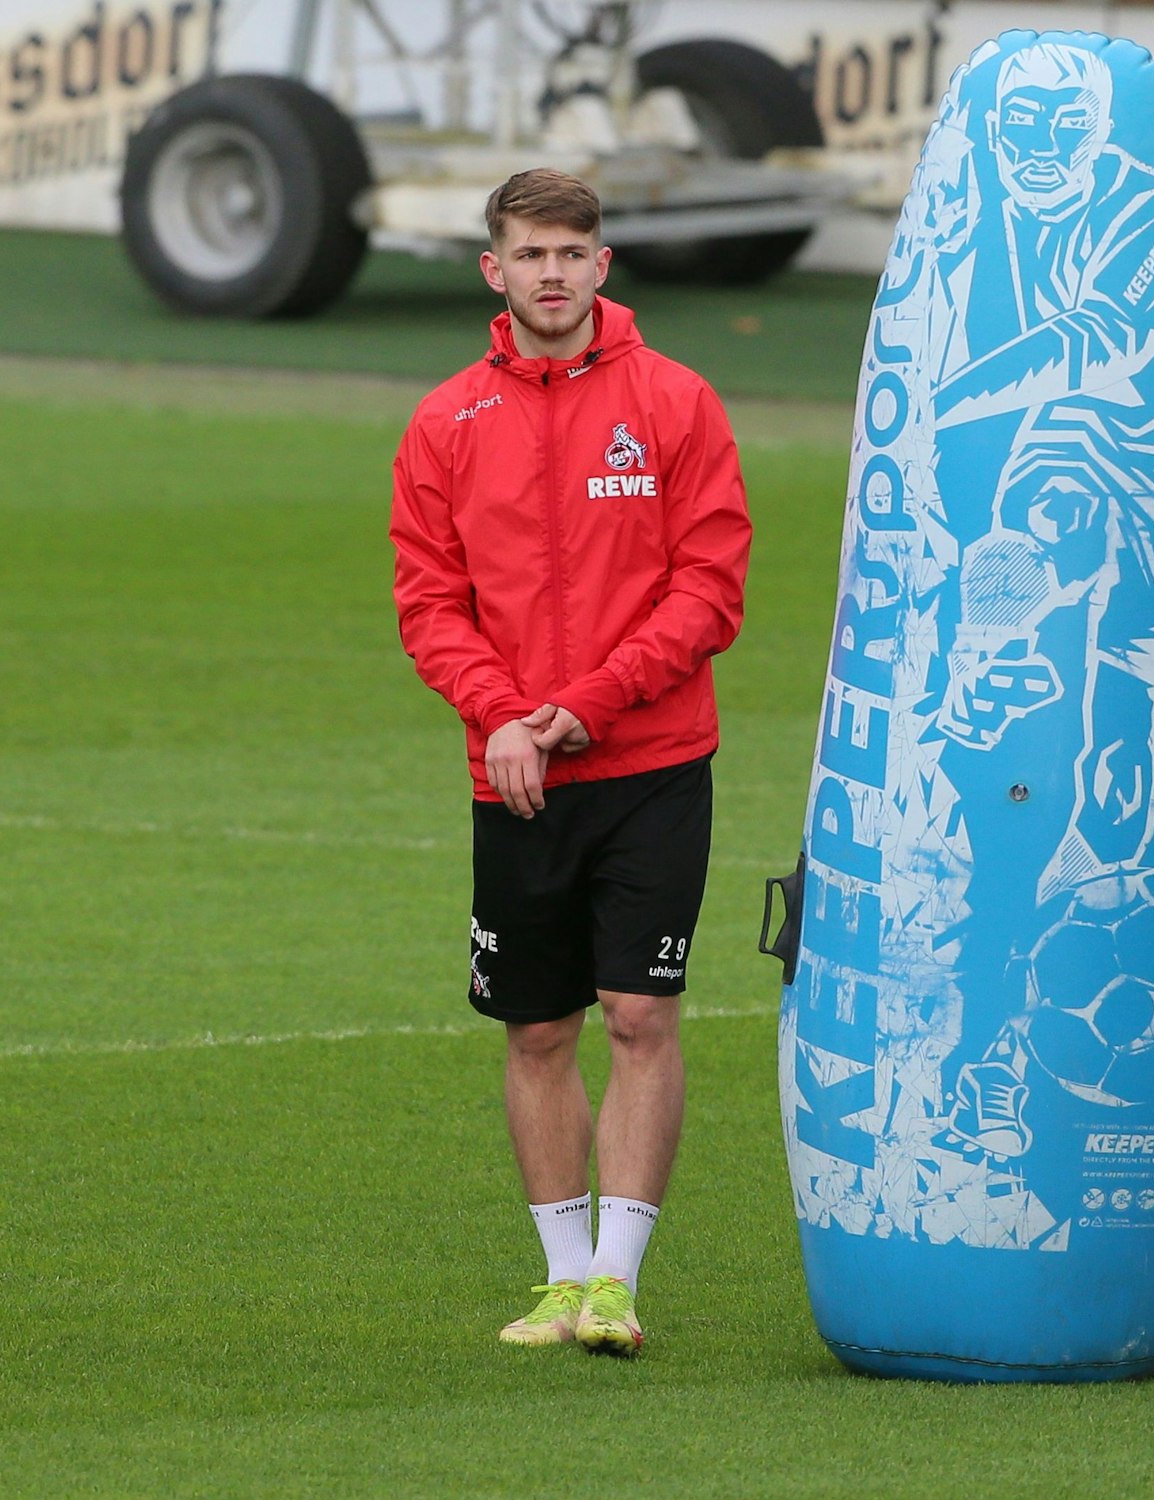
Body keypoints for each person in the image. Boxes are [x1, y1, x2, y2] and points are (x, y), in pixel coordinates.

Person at [390, 169, 751, 1355]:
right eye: (529, 253)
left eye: (571, 252)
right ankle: (558, 1282)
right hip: (513, 774)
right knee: (538, 1031)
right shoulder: (444, 423)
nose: (551, 272)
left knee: (639, 1014)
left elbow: (709, 588)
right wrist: (503, 716)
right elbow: (429, 602)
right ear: (492, 269)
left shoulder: (677, 402)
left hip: (651, 764)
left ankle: (616, 1284)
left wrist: (585, 705)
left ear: (603, 264)